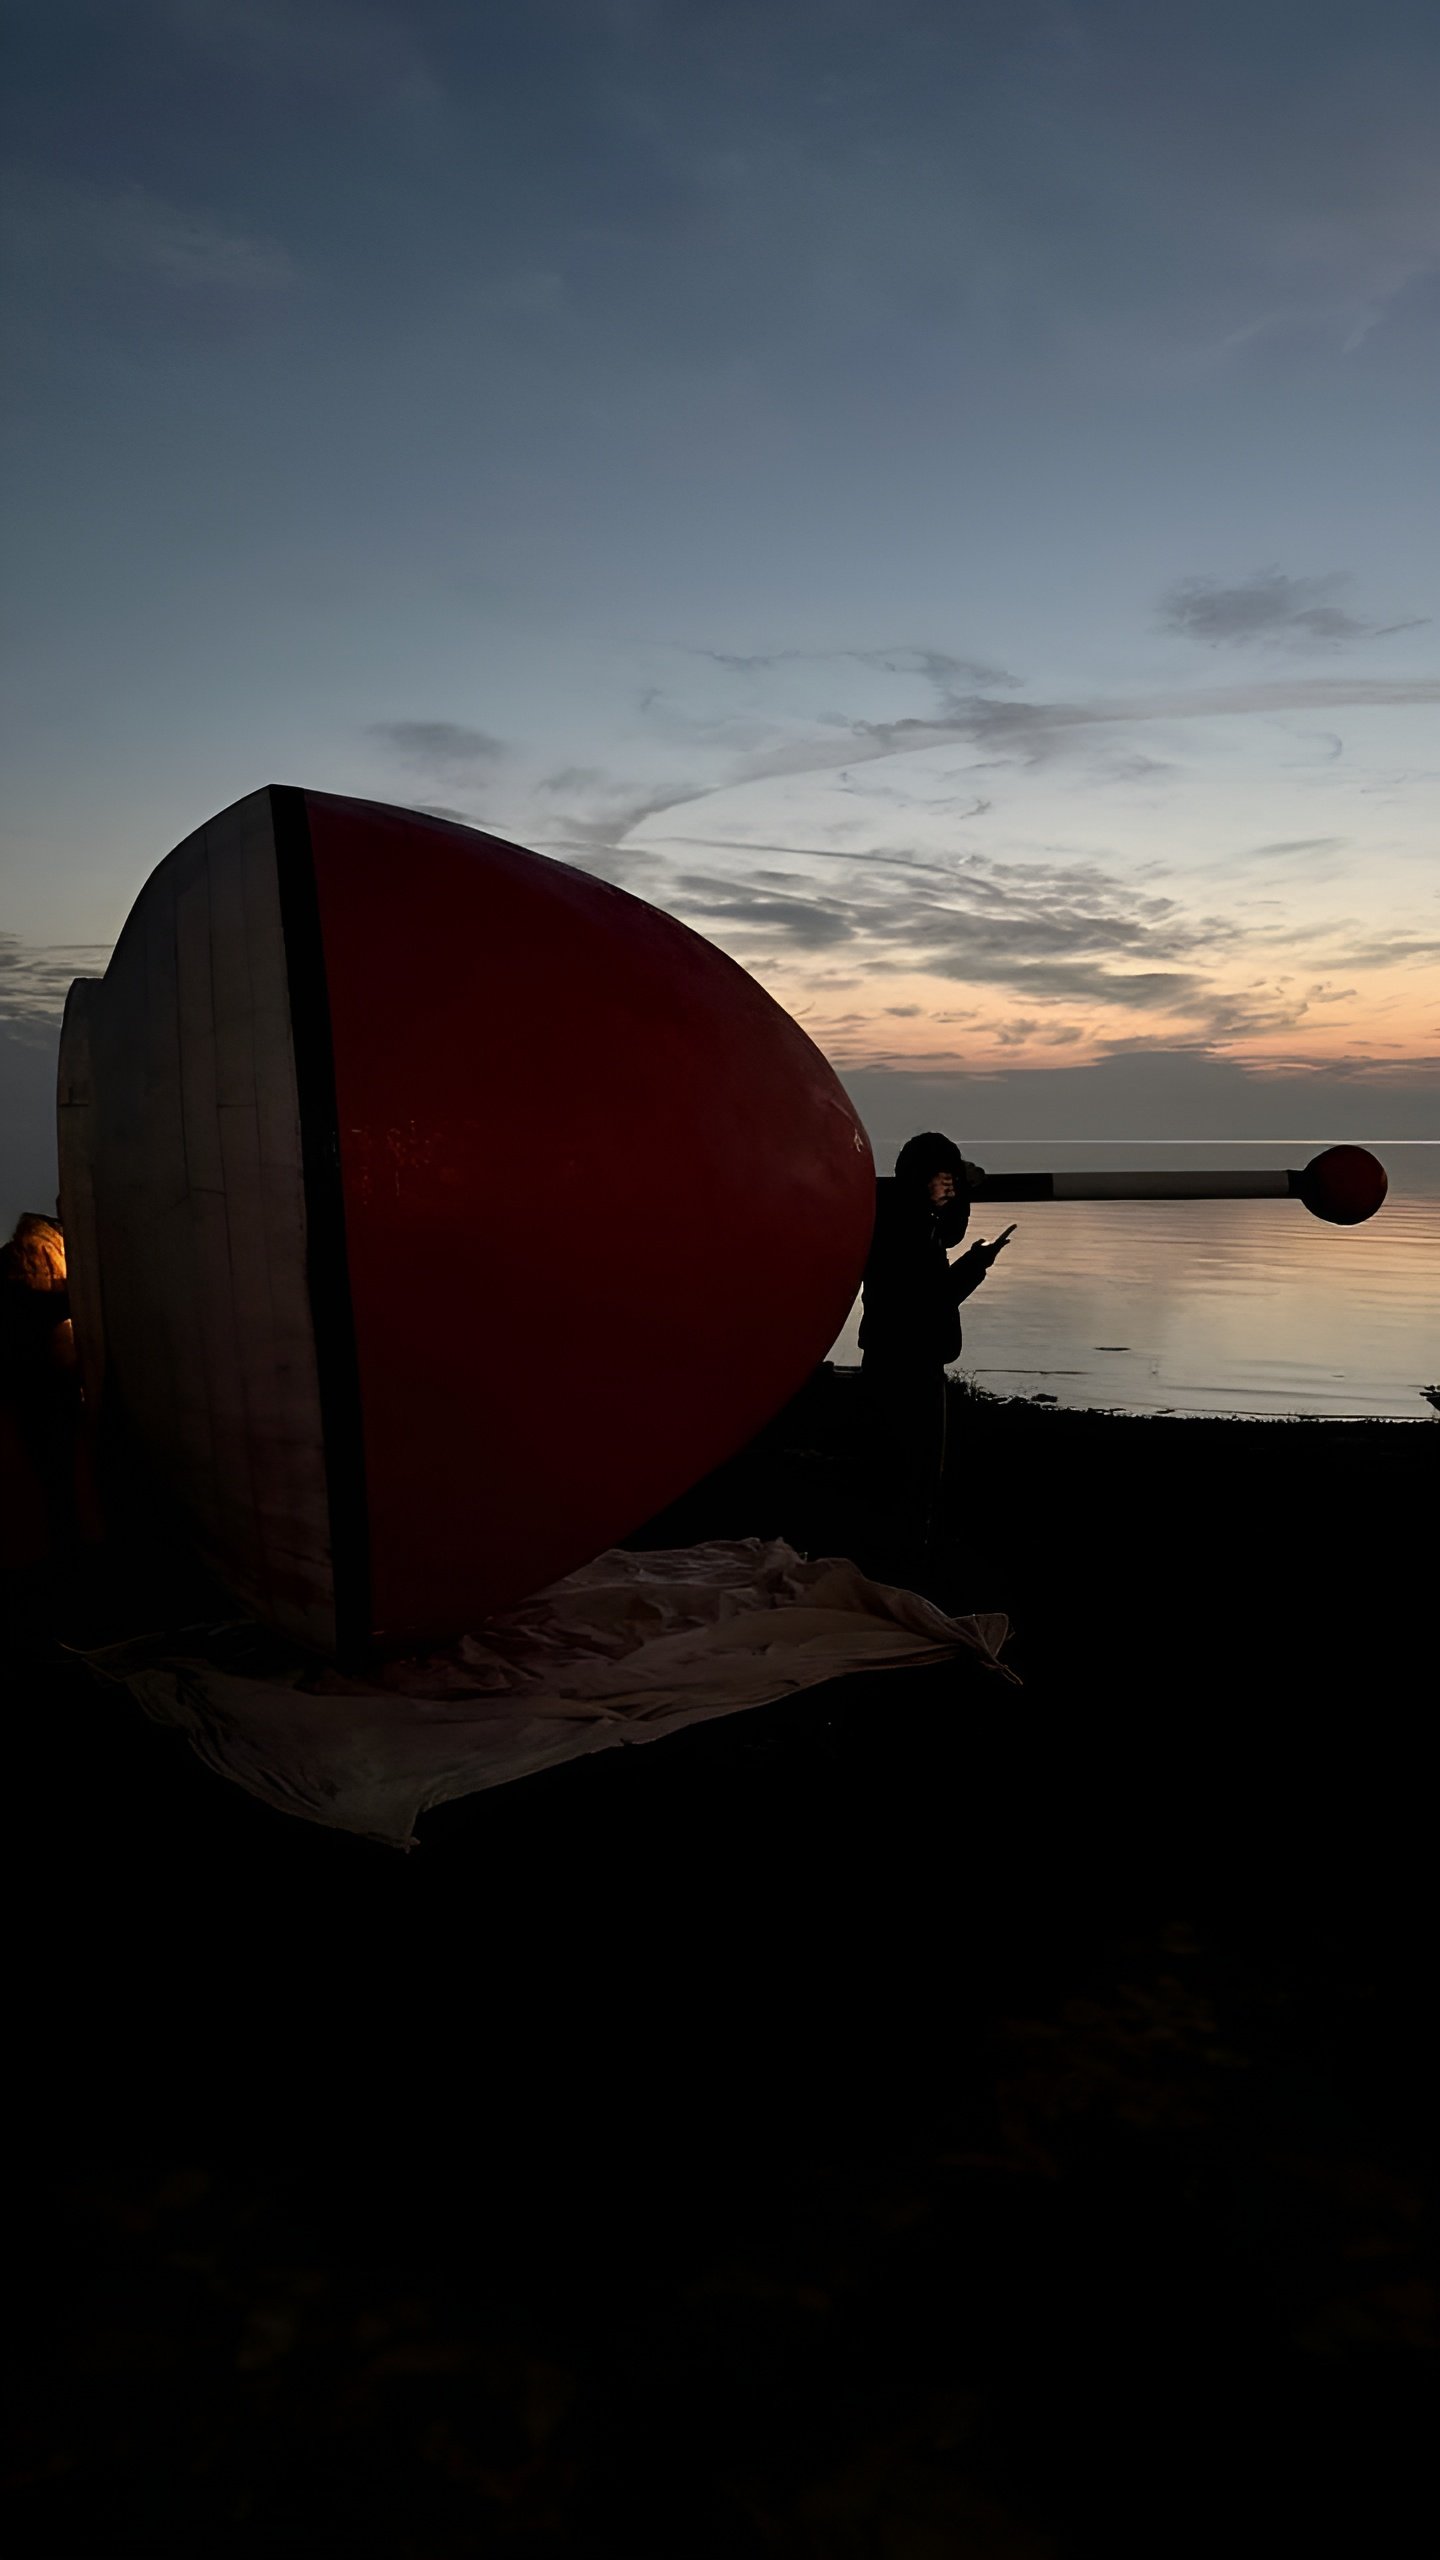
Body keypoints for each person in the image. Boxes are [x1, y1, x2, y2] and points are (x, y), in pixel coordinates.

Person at [857, 1132, 1013, 1580]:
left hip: (886, 1356)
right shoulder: (914, 1229)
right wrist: (977, 1263)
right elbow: (931, 1300)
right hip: (915, 1363)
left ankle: (888, 1560)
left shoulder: (888, 1216)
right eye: (946, 1183)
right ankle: (905, 1569)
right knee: (914, 1476)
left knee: (886, 1471)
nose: (952, 1193)